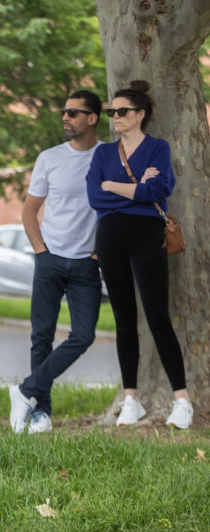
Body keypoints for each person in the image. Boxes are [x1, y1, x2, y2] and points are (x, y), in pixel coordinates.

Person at [86, 80, 193, 429]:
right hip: (110, 236)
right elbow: (95, 198)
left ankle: (183, 401)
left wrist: (113, 185)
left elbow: (161, 189)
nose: (115, 117)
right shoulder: (103, 153)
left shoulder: (157, 148)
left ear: (140, 114)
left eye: (122, 112)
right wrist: (137, 190)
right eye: (111, 112)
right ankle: (130, 399)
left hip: (148, 234)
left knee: (158, 315)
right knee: (123, 318)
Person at [8, 91, 104, 434]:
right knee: (41, 336)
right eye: (63, 111)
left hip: (85, 264)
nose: (65, 117)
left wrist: (98, 251)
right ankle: (40, 413)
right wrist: (40, 251)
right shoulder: (49, 158)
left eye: (73, 113)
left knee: (83, 335)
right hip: (50, 259)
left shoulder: (107, 155)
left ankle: (26, 391)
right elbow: (29, 209)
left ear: (92, 118)